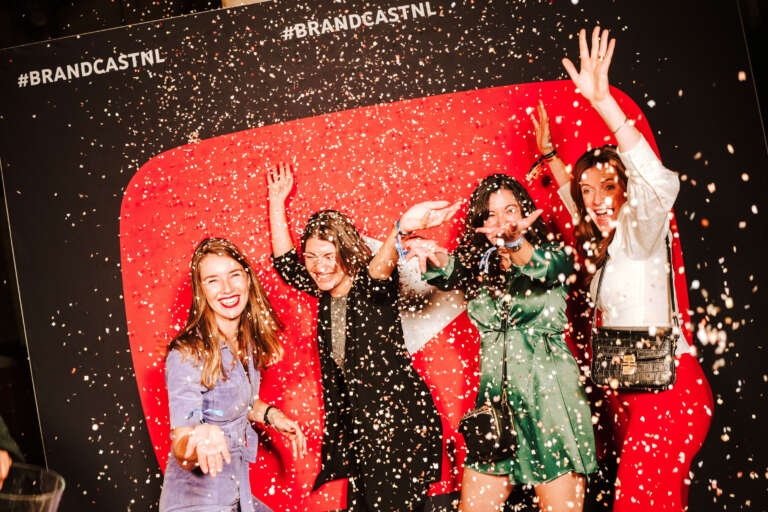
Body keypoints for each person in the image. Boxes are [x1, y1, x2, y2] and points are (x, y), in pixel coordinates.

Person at [529, 26, 713, 511]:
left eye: (607, 187)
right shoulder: (607, 245)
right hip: (638, 393)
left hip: (668, 395)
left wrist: (604, 103)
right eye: (589, 191)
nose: (595, 201)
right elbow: (577, 203)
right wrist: (551, 157)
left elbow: (658, 183)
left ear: (625, 191)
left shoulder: (642, 234)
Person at [267, 162, 453, 511]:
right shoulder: (326, 289)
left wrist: (399, 229)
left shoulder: (370, 288)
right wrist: (277, 202)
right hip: (365, 435)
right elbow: (287, 264)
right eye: (312, 256)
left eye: (327, 256)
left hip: (398, 427)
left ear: (346, 254)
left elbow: (380, 265)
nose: (318, 265)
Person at [406, 174, 597, 512]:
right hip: (496, 410)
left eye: (509, 210)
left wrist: (514, 243)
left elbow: (540, 268)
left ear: (524, 212)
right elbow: (448, 267)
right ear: (480, 222)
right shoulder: (481, 268)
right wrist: (420, 245)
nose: (501, 222)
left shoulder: (554, 256)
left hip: (551, 403)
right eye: (490, 215)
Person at [159, 237, 307, 512]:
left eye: (234, 275)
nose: (227, 288)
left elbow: (239, 402)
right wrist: (198, 437)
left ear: (248, 279)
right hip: (196, 505)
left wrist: (273, 415)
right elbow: (181, 441)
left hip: (237, 497)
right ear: (201, 290)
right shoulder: (187, 354)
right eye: (213, 280)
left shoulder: (244, 341)